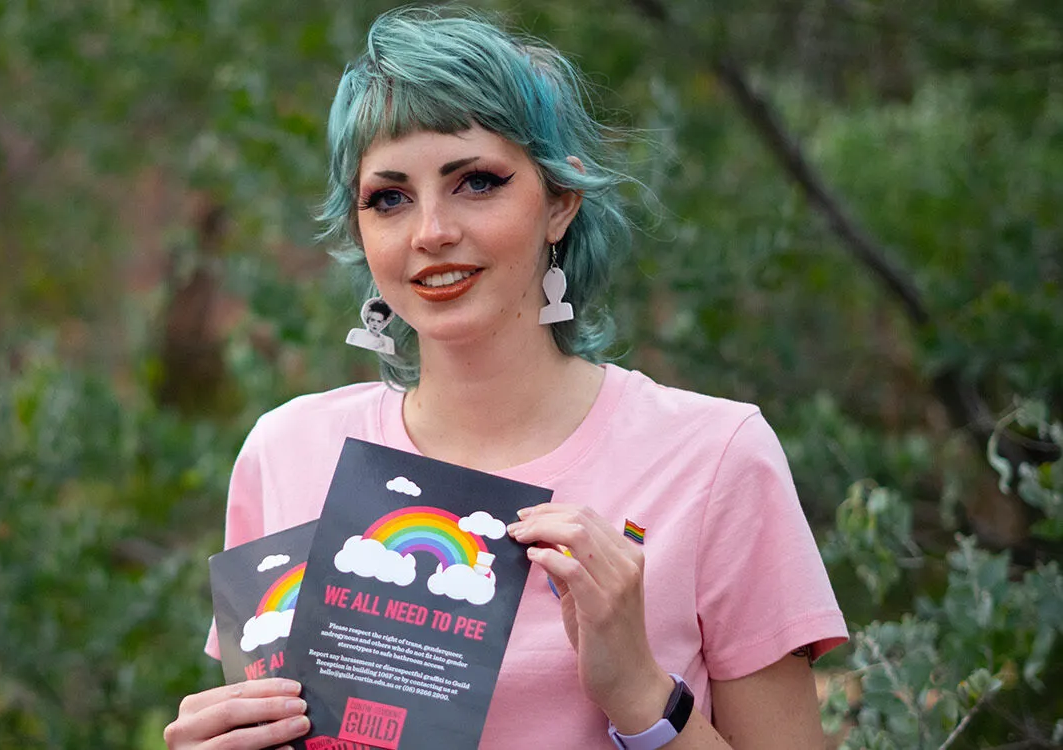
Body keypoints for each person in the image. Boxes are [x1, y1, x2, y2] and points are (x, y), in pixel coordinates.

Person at [165, 7, 846, 749]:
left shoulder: (716, 456)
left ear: (560, 202)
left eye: (477, 183)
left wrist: (641, 696)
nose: (431, 233)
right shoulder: (288, 453)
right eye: (389, 198)